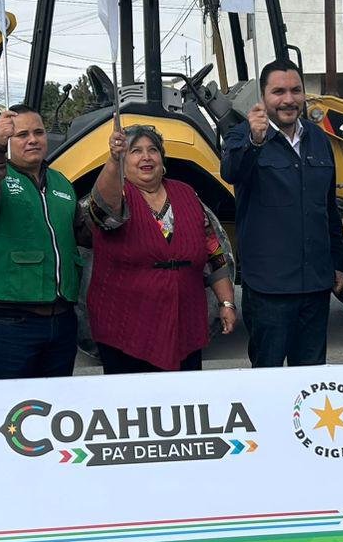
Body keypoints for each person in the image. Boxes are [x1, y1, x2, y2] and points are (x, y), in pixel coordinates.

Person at [220, 59, 343, 368]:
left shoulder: (319, 140)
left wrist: (339, 264)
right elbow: (231, 171)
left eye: (295, 90)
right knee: (268, 379)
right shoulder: (243, 136)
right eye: (278, 92)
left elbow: (328, 210)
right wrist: (255, 140)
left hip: (315, 286)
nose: (289, 99)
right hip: (269, 290)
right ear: (263, 97)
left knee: (311, 380)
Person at [84, 122, 237, 371]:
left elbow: (213, 251)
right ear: (123, 162)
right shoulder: (118, 196)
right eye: (135, 151)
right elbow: (102, 210)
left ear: (162, 159)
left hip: (185, 326)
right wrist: (112, 160)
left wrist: (226, 303)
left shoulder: (186, 193)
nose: (146, 157)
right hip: (126, 332)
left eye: (152, 150)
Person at [0, 105, 86, 380]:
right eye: (22, 135)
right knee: (12, 404)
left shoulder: (62, 183)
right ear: (8, 139)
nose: (33, 140)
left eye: (38, 132)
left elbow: (85, 233)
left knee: (56, 403)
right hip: (11, 322)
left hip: (62, 320)